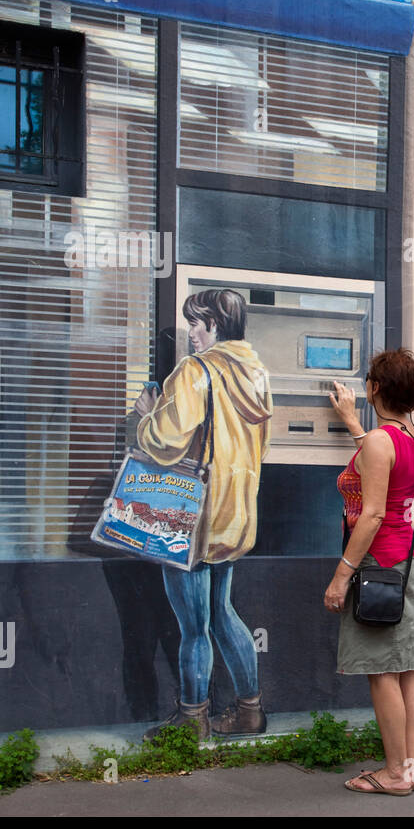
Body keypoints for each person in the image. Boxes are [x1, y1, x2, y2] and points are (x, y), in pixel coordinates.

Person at [134, 289, 273, 740]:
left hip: (192, 517)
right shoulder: (256, 373)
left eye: (197, 323)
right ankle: (249, 711)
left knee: (194, 626)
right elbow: (260, 446)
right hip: (234, 515)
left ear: (216, 324)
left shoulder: (195, 372)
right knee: (222, 611)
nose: (191, 332)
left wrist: (147, 414)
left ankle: (191, 720)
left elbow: (165, 441)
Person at [325, 348, 414, 797]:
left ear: (374, 389)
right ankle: (407, 767)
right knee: (405, 669)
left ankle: (391, 776)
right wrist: (352, 423)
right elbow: (378, 458)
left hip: (378, 566)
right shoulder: (412, 437)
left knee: (382, 671)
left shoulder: (378, 442)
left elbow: (371, 516)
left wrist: (341, 575)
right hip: (410, 562)